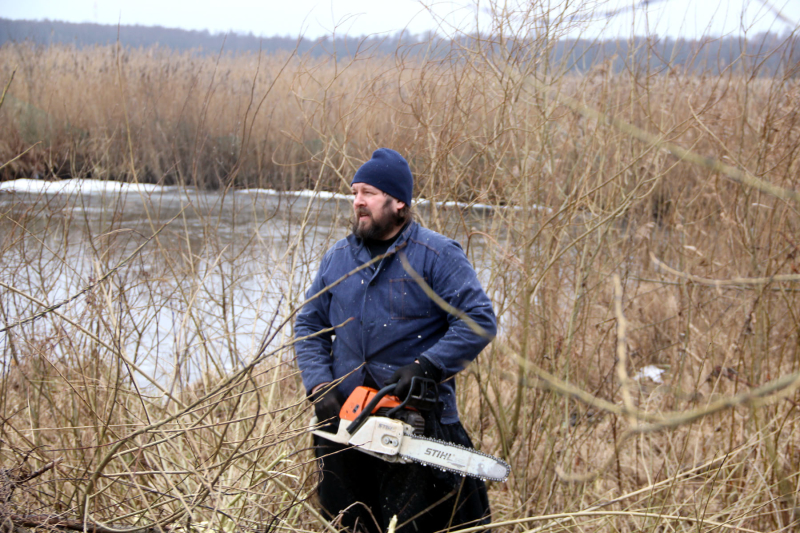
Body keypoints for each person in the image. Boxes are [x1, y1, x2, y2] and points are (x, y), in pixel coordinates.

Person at [294, 148, 497, 533]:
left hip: (417, 423)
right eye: (355, 193)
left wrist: (427, 365)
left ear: (398, 202)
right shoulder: (337, 258)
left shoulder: (437, 255)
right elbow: (309, 326)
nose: (358, 201)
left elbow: (479, 320)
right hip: (345, 422)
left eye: (368, 193)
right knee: (347, 524)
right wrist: (320, 386)